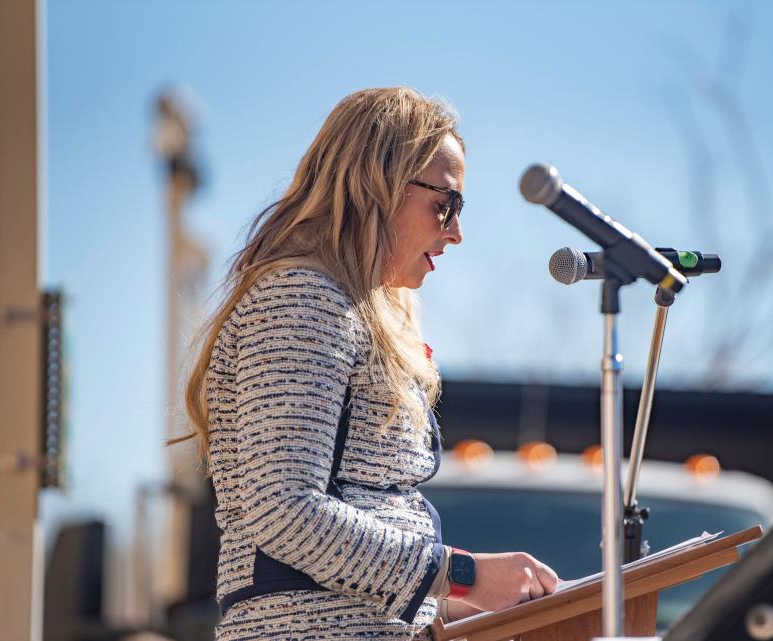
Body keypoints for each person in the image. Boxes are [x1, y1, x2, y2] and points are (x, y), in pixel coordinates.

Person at [176, 87, 559, 640]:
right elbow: (283, 508)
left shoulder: (339, 303)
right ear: (374, 183)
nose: (456, 231)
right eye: (447, 203)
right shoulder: (300, 298)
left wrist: (444, 610)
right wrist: (464, 575)